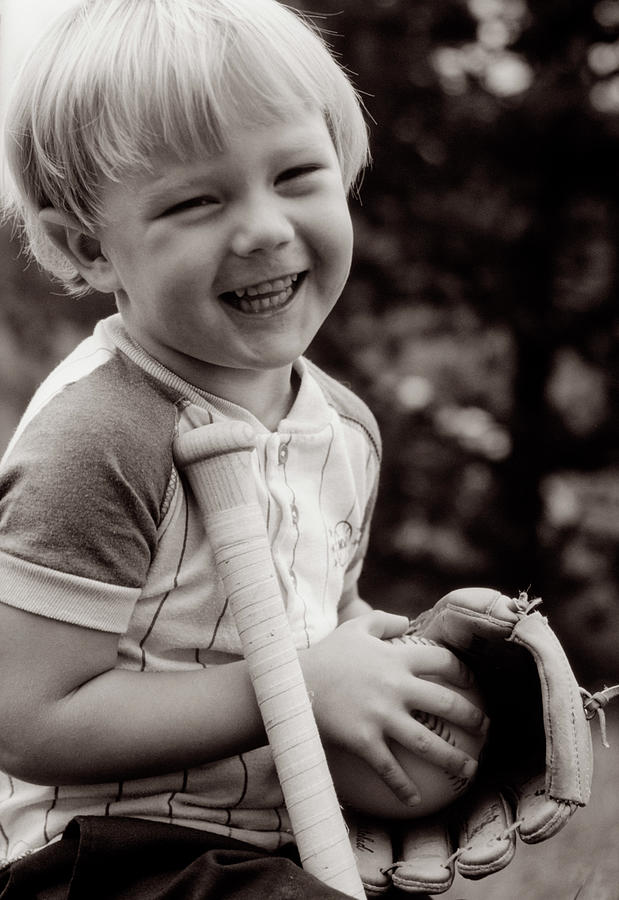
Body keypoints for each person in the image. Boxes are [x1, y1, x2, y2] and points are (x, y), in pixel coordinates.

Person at [0, 1, 488, 896]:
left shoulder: (341, 428)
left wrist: (394, 671)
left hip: (284, 836)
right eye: (195, 200)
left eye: (298, 173)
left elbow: (320, 614)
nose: (263, 228)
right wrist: (298, 688)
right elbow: (27, 719)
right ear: (88, 247)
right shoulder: (102, 433)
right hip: (99, 857)